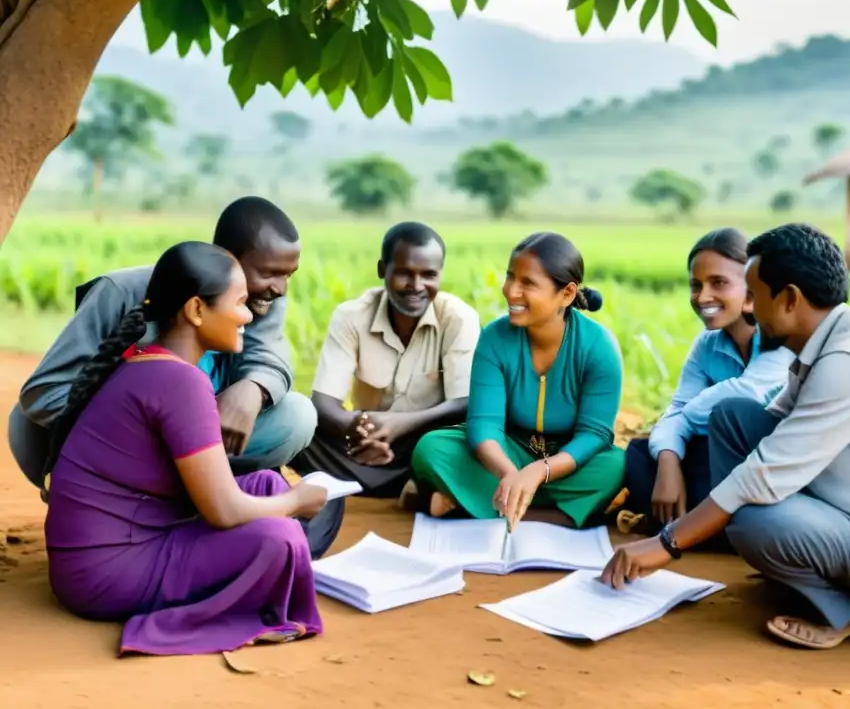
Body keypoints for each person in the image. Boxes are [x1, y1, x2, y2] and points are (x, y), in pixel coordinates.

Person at [600, 223, 850, 653]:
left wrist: (667, 543)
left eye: (754, 294)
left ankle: (849, 611)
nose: (748, 307)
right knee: (734, 420)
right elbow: (768, 428)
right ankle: (792, 569)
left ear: (789, 298)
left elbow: (762, 473)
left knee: (752, 519)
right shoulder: (822, 344)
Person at [43, 241, 330, 656]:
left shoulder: (151, 361)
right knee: (281, 535)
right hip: (102, 574)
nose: (249, 315)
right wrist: (297, 501)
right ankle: (235, 612)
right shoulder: (182, 382)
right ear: (197, 310)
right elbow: (224, 510)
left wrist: (281, 496)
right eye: (240, 302)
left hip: (110, 550)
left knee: (267, 483)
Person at [9, 196, 317, 494]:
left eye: (288, 275)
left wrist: (252, 390)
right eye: (270, 274)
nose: (280, 289)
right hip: (126, 446)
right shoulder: (121, 294)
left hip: (199, 441)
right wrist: (152, 426)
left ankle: (198, 496)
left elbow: (269, 356)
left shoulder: (262, 297)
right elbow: (44, 392)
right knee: (24, 423)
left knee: (297, 415)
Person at [409, 232, 626, 530]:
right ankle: (549, 515)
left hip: (565, 463)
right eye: (511, 277)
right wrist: (511, 475)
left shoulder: (599, 347)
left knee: (614, 466)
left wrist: (539, 471)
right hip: (507, 453)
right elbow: (484, 424)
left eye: (528, 283)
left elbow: (594, 434)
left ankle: (471, 507)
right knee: (432, 448)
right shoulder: (495, 339)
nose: (511, 291)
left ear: (566, 293)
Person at [620, 228, 792, 538]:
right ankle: (702, 526)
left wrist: (683, 418)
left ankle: (699, 527)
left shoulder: (779, 337)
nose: (703, 297)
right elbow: (677, 407)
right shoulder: (707, 345)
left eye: (719, 283)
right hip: (719, 462)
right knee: (640, 455)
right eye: (696, 285)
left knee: (731, 412)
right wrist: (669, 460)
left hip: (768, 460)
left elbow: (746, 393)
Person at [291, 222, 481, 498]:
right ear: (383, 270)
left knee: (457, 441)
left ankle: (372, 482)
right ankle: (419, 485)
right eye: (404, 274)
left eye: (428, 275)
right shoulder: (351, 316)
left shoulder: (458, 318)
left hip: (426, 438)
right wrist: (359, 429)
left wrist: (400, 424)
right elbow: (324, 401)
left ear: (440, 275)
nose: (416, 286)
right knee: (299, 424)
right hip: (363, 442)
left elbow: (463, 403)